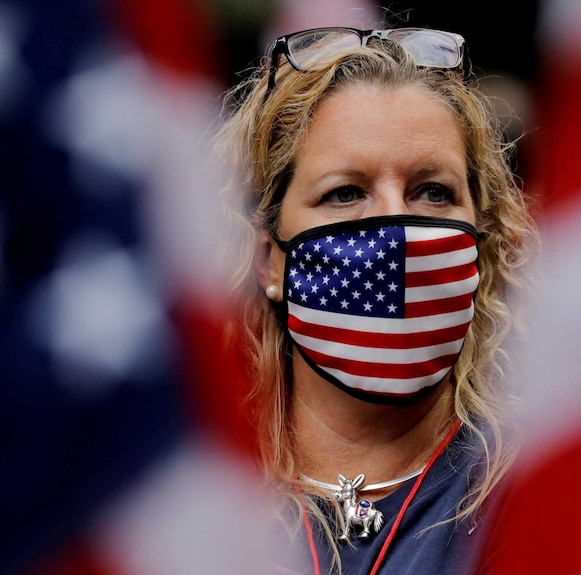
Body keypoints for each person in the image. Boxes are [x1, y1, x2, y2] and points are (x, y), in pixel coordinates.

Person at [213, 26, 537, 575]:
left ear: (484, 240)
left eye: (432, 192)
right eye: (346, 193)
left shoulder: (545, 490)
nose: (395, 227)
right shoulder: (189, 505)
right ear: (268, 257)